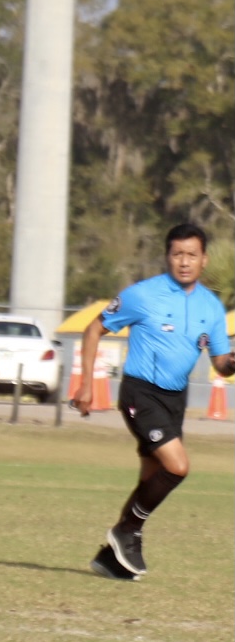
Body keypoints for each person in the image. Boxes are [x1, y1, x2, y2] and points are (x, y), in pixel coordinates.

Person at [72, 223, 233, 580]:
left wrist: (232, 361)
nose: (184, 262)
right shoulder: (142, 295)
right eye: (177, 254)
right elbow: (94, 328)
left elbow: (221, 364)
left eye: (192, 255)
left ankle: (111, 557)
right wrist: (85, 385)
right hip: (139, 393)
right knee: (177, 467)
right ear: (168, 257)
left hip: (175, 399)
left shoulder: (211, 306)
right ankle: (125, 533)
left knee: (152, 478)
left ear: (204, 260)